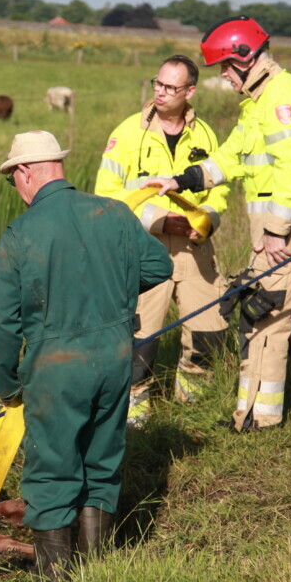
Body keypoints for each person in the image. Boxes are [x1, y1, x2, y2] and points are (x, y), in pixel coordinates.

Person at [147, 17, 291, 432]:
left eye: (227, 66)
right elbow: (231, 157)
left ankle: (258, 417)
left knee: (264, 314)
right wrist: (181, 180)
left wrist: (276, 231)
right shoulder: (259, 100)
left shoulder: (282, 100)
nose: (223, 75)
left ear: (247, 58)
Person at [0, 130, 172, 578]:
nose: (15, 188)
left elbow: (1, 325)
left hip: (55, 368)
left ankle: (56, 580)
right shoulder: (114, 212)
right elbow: (159, 265)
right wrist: (110, 294)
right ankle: (96, 571)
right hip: (116, 358)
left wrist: (8, 386)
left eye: (12, 179)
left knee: (52, 469)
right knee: (101, 460)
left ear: (25, 172)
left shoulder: (20, 233)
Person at [94, 55, 230, 424]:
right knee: (139, 341)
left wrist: (208, 220)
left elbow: (218, 187)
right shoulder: (126, 133)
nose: (161, 92)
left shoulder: (205, 134)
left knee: (208, 333)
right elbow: (106, 193)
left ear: (190, 91)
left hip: (195, 248)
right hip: (143, 249)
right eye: (158, 83)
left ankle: (195, 410)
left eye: (171, 87)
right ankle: (135, 421)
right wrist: (157, 220)